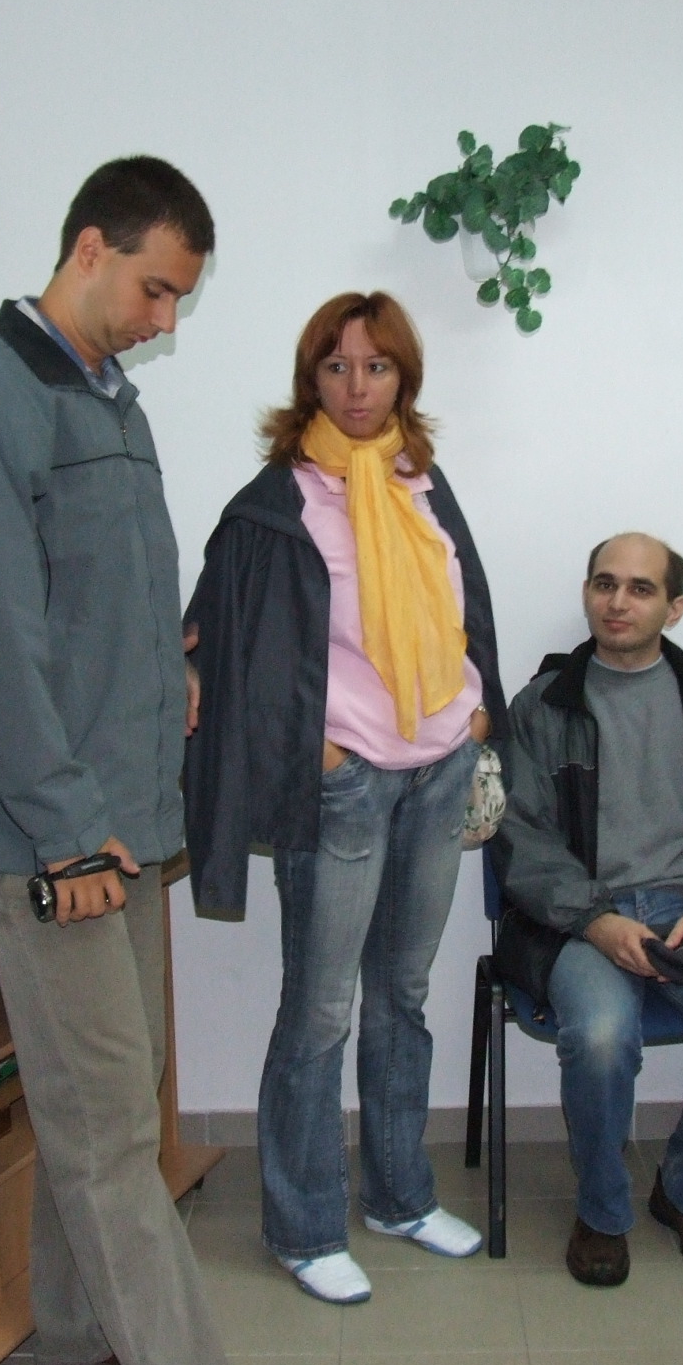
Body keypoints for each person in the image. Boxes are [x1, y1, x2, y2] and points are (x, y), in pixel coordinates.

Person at [0, 157, 282, 1365]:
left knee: (105, 1100)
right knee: (113, 1130)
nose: (164, 321)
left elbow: (93, 603)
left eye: (180, 299)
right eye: (155, 290)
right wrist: (67, 839)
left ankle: (72, 1332)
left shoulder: (108, 401)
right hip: (53, 842)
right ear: (86, 249)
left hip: (125, 823)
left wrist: (172, 671)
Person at [185, 290, 504, 1305]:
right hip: (346, 785)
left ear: (404, 377)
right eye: (336, 368)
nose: (357, 388)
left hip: (438, 771)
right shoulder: (274, 504)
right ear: (309, 379)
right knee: (320, 1009)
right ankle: (305, 1225)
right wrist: (314, 751)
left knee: (402, 994)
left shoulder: (422, 482)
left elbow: (464, 603)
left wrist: (477, 708)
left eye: (376, 367)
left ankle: (401, 1197)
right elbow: (219, 643)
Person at [493, 533, 683, 1288]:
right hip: (582, 921)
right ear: (587, 593)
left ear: (674, 608)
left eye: (640, 588)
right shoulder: (542, 706)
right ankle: (601, 1212)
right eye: (604, 584)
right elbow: (521, 836)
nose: (617, 602)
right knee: (599, 1037)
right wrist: (596, 921)